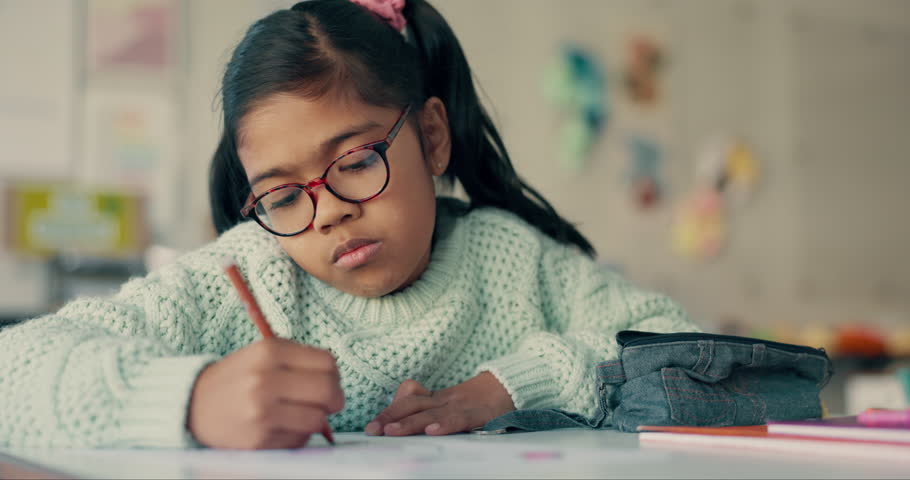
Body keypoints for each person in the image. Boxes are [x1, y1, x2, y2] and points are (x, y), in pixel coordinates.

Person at [0, 0, 698, 450]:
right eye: (280, 196)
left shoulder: (512, 261)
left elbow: (684, 348)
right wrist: (189, 402)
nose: (328, 210)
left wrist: (507, 388)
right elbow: (13, 371)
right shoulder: (243, 277)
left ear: (430, 138)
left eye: (357, 161)